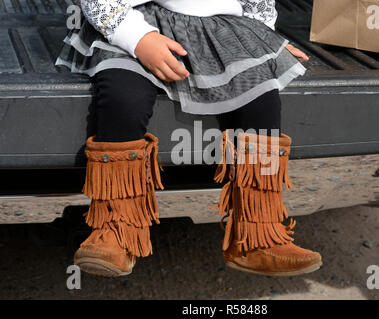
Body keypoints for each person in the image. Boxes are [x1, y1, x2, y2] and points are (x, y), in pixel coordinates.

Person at [54, 0, 322, 277]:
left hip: (223, 28)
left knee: (261, 102)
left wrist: (262, 35)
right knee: (124, 99)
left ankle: (257, 237)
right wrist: (137, 37)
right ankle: (115, 229)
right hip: (138, 21)